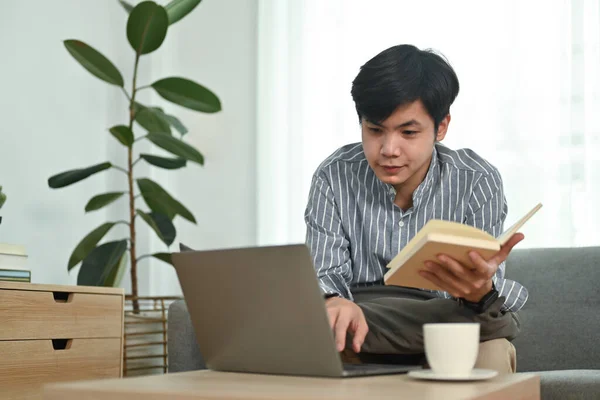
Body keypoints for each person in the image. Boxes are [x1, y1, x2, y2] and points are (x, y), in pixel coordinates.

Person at [303, 44, 527, 373]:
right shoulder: (333, 175)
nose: (389, 149)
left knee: (489, 342)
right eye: (374, 130)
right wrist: (333, 301)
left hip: (448, 318)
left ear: (441, 127)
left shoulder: (477, 180)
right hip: (360, 318)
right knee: (492, 321)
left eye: (408, 132)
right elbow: (326, 278)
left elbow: (480, 294)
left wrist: (480, 292)